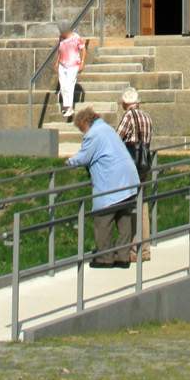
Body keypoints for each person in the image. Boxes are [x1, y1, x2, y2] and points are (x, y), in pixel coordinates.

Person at [65, 107, 140, 267]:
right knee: (124, 218)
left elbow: (84, 157)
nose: (82, 133)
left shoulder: (94, 134)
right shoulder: (107, 128)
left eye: (81, 129)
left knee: (102, 220)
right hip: (129, 179)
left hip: (112, 182)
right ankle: (122, 257)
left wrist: (70, 161)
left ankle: (104, 258)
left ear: (85, 122)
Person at [116, 87, 154, 261]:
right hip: (144, 165)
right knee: (143, 204)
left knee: (130, 206)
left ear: (125, 103)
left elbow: (117, 139)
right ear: (138, 102)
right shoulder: (147, 117)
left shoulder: (128, 116)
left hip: (130, 166)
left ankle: (132, 250)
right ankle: (145, 250)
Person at [55, 23, 87, 120]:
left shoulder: (76, 37)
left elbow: (83, 50)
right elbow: (60, 50)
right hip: (62, 65)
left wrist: (82, 62)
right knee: (63, 86)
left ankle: (69, 107)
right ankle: (66, 106)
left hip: (73, 65)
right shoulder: (61, 38)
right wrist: (56, 62)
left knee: (69, 85)